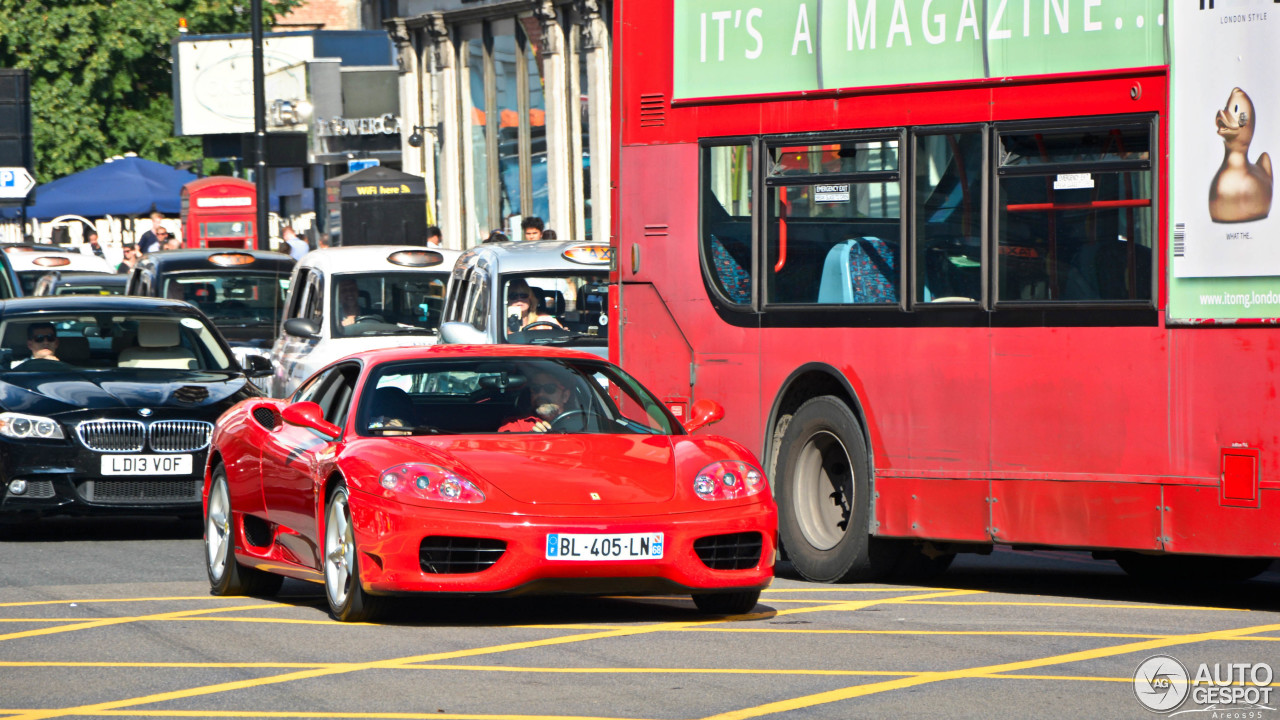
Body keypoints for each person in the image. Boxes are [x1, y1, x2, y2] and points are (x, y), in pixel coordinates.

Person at [498, 368, 577, 432]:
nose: (541, 394)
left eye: (549, 388)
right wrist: (531, 438)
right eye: (536, 389)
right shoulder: (516, 426)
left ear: (565, 396)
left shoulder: (581, 423)